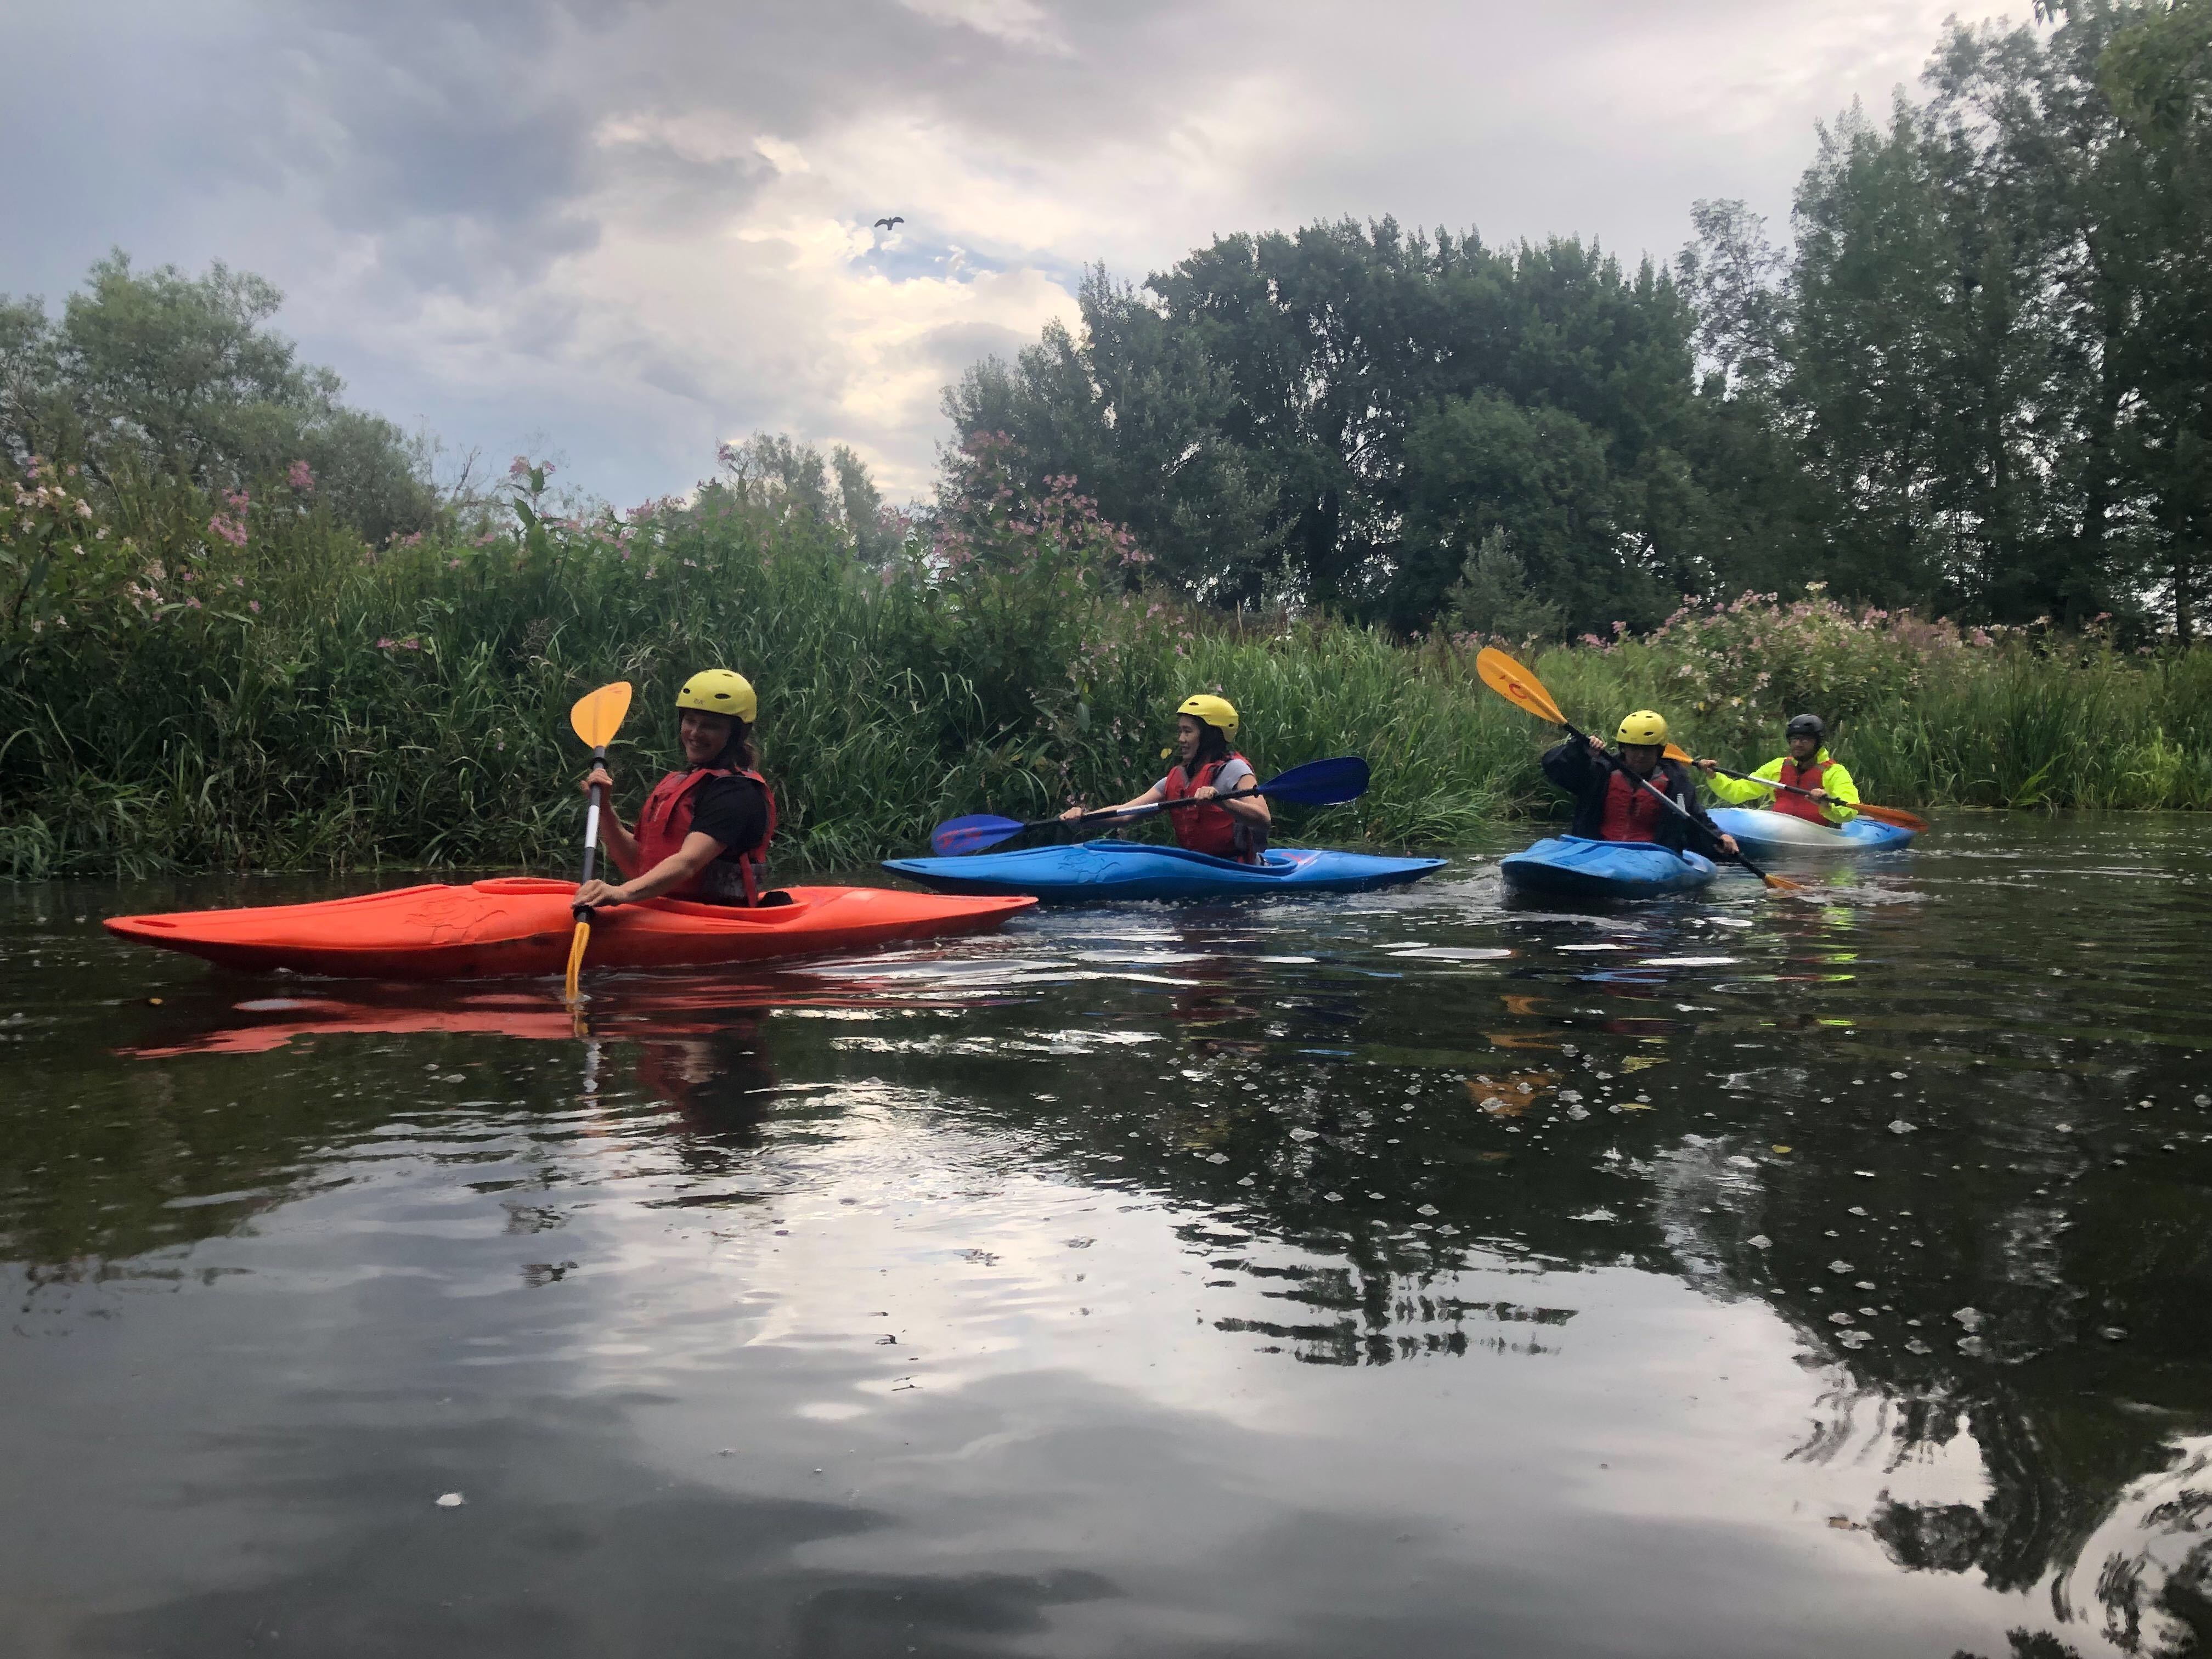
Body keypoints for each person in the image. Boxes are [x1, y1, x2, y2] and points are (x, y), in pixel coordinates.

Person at [573, 668, 778, 908]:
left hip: (716, 919)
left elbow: (688, 863)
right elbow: (634, 863)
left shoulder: (737, 794)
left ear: (735, 734)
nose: (695, 733)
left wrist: (622, 893)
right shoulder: (680, 783)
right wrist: (605, 808)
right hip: (659, 908)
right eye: (690, 721)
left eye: (710, 726)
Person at [1062, 693, 1270, 862]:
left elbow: (1263, 819)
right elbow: (1126, 813)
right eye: (1180, 731)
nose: (1181, 739)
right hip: (1197, 867)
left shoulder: (1235, 770)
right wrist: (1084, 819)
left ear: (1209, 735)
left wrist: (1222, 801)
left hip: (1239, 869)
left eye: (1188, 731)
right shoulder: (1178, 779)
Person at [1541, 709, 1740, 857]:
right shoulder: (1599, 773)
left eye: (1647, 750)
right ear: (1623, 748)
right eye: (1634, 749)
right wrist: (1579, 750)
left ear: (1659, 751)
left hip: (1650, 856)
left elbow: (1695, 820)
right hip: (1597, 851)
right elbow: (1554, 767)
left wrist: (1719, 838)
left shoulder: (1677, 784)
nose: (1640, 756)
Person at [1697, 713, 1861, 825]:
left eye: (1804, 740)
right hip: (1779, 830)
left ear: (1817, 743)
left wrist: (1826, 804)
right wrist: (1714, 776)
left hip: (1820, 835)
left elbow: (1849, 810)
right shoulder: (1778, 766)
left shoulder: (1834, 772)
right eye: (1794, 739)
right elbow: (1737, 792)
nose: (1798, 744)